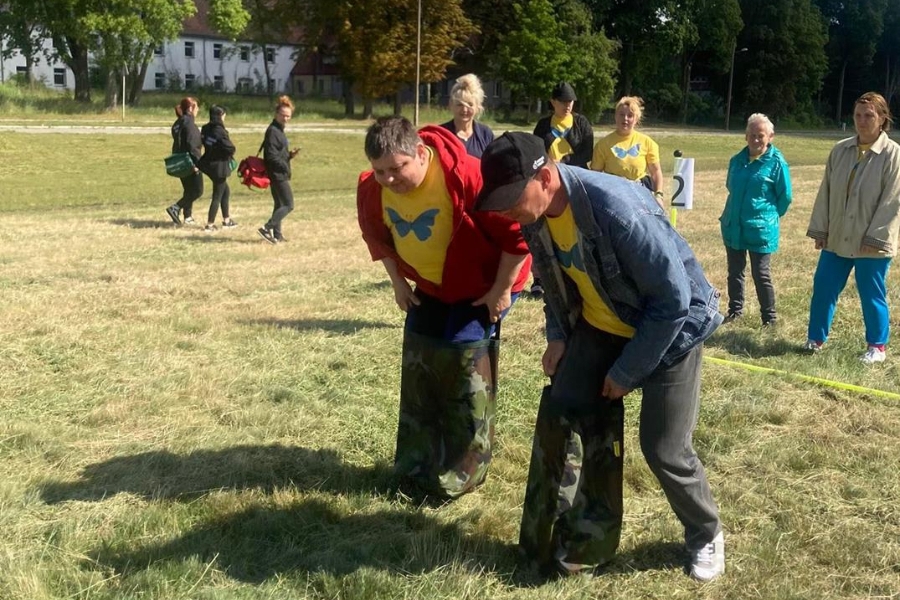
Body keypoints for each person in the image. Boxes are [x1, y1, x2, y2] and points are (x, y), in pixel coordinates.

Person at [476, 132, 725, 581]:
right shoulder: (535, 214)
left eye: (511, 199)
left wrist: (628, 371)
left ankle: (705, 532)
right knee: (567, 409)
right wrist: (558, 336)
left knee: (664, 448)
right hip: (602, 324)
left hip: (670, 331)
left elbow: (673, 302)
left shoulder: (618, 211)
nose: (505, 211)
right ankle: (580, 534)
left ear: (545, 178)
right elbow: (554, 282)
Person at [356, 116, 531, 500]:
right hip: (433, 286)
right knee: (420, 359)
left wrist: (501, 291)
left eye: (397, 168)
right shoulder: (372, 189)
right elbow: (376, 236)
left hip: (485, 286)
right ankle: (418, 461)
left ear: (421, 153)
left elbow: (518, 237)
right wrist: (399, 283)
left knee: (463, 367)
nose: (388, 179)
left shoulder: (469, 177)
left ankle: (464, 470)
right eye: (380, 170)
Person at [806, 92, 900, 364]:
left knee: (871, 293)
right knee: (824, 287)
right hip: (837, 237)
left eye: (869, 115)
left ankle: (877, 347)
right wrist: (821, 230)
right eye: (858, 115)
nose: (862, 120)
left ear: (882, 119)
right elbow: (826, 191)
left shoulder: (893, 155)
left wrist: (876, 237)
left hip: (871, 242)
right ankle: (815, 339)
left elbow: (893, 202)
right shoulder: (840, 150)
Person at [720, 113, 792, 326]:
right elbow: (730, 186)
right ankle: (735, 311)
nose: (756, 139)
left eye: (761, 135)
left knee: (761, 274)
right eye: (752, 135)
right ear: (746, 136)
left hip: (761, 229)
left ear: (770, 137)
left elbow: (785, 197)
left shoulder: (777, 163)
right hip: (734, 225)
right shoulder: (736, 161)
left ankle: (769, 318)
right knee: (734, 271)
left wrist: (769, 217)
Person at [530, 82, 593, 297]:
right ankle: (540, 279)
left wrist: (563, 164)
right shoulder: (543, 125)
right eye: (563, 101)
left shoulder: (581, 123)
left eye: (571, 101)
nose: (568, 105)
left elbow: (586, 153)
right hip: (549, 184)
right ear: (553, 102)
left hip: (575, 181)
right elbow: (537, 152)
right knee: (544, 228)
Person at [592, 96, 666, 208]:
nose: (625, 119)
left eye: (630, 115)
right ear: (615, 116)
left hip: (641, 192)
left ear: (636, 119)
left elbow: (656, 172)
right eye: (621, 114)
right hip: (614, 194)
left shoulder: (647, 142)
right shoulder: (603, 144)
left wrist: (659, 195)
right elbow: (595, 175)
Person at [258, 95, 300, 244]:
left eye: (288, 116)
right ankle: (266, 228)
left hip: (278, 172)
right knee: (289, 204)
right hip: (277, 174)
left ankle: (277, 234)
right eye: (283, 115)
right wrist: (284, 166)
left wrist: (289, 155)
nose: (286, 118)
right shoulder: (273, 131)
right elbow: (271, 156)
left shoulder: (279, 130)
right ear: (277, 114)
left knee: (279, 204)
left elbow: (278, 153)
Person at [198, 105, 238, 232]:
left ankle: (227, 220)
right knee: (217, 195)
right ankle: (210, 225)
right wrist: (229, 153)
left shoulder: (205, 128)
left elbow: (205, 142)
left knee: (225, 191)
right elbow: (230, 148)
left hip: (208, 164)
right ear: (221, 116)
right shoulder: (220, 131)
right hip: (219, 166)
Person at [165, 97, 203, 226]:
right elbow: (193, 145)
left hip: (180, 160)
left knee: (188, 190)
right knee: (197, 191)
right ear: (191, 108)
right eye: (196, 107)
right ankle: (175, 208)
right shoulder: (189, 124)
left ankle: (188, 216)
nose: (198, 110)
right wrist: (198, 163)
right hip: (190, 162)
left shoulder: (177, 123)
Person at [440, 73, 494, 158]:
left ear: (477, 107)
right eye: (459, 104)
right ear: (451, 105)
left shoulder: (485, 134)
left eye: (470, 105)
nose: (464, 110)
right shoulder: (441, 134)